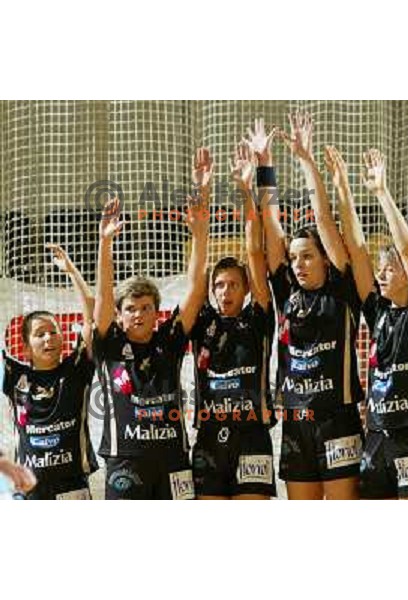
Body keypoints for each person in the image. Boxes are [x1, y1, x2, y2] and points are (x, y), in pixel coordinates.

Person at [325, 146, 408, 499]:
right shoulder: (378, 310)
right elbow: (358, 251)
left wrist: (382, 193)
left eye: (390, 268)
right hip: (376, 438)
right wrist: (344, 190)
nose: (381, 272)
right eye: (384, 267)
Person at [93, 148, 210, 500]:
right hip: (126, 462)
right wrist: (105, 243)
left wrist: (201, 229)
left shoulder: (168, 341)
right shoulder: (109, 344)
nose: (139, 314)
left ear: (157, 312)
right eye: (131, 308)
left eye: (146, 307)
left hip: (174, 459)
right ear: (121, 314)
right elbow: (102, 300)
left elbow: (196, 288)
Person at [265, 112, 364, 499]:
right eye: (294, 259)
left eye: (307, 256)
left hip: (338, 418)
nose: (298, 264)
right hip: (296, 421)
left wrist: (305, 160)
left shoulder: (342, 289)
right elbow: (271, 227)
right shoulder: (287, 293)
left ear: (325, 258)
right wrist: (265, 168)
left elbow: (323, 219)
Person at [191, 130, 276, 499]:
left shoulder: (258, 316)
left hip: (252, 436)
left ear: (245, 290)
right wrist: (204, 192)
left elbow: (255, 251)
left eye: (233, 285)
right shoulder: (202, 321)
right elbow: (198, 258)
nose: (226, 291)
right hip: (209, 439)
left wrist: (247, 190)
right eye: (220, 285)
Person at [2, 244, 98, 499]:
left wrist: (71, 271)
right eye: (40, 334)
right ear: (25, 347)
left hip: (73, 486)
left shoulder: (76, 368)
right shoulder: (13, 375)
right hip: (30, 489)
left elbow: (90, 315)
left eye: (53, 331)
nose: (48, 338)